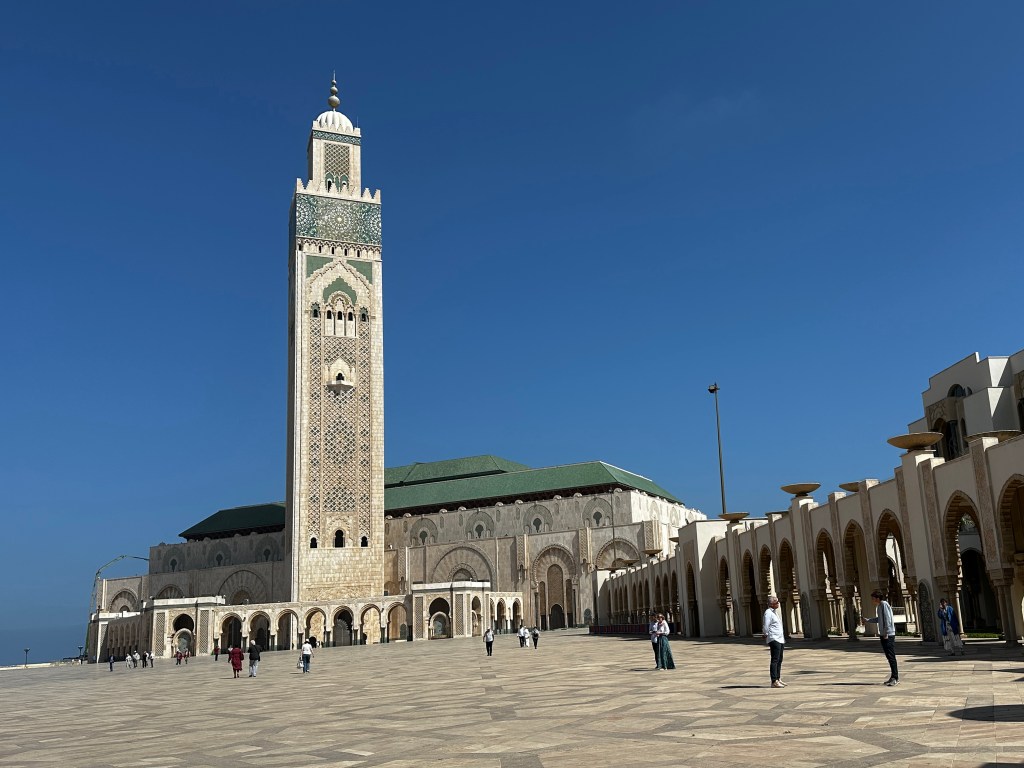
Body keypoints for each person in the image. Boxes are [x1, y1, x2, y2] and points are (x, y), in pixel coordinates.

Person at [863, 590, 899, 685]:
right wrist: (868, 620)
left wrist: (886, 632)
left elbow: (887, 619)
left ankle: (895, 677)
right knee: (888, 656)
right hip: (884, 634)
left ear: (877, 598)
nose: (872, 600)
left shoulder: (884, 604)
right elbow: (880, 619)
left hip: (888, 634)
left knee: (891, 656)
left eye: (873, 598)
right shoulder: (879, 606)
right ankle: (893, 676)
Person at [763, 595, 786, 688]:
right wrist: (765, 633)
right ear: (771, 604)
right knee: (775, 660)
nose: (778, 604)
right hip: (774, 638)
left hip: (780, 638)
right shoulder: (768, 613)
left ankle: (778, 678)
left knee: (779, 659)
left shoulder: (774, 612)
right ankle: (774, 681)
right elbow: (766, 625)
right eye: (776, 602)